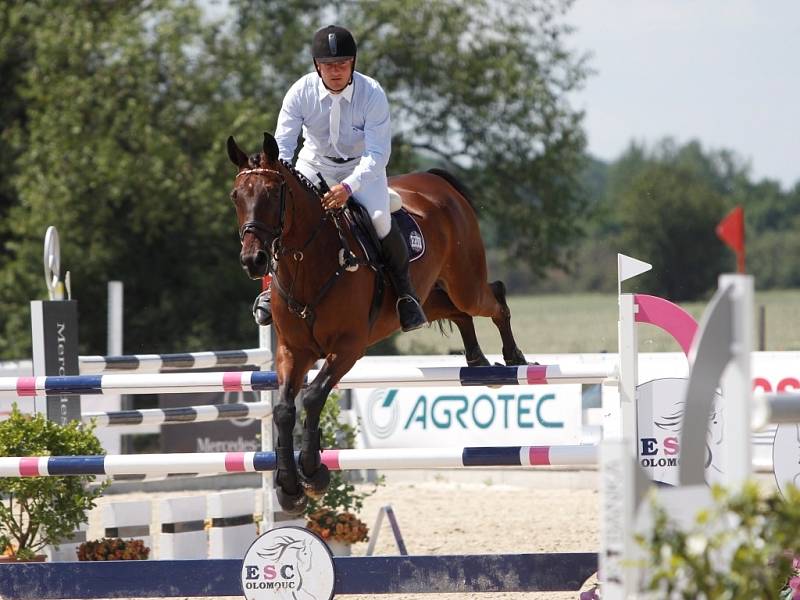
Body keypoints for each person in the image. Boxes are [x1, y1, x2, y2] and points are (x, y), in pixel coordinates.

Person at [252, 25, 427, 332]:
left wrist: (349, 187)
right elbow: (283, 146)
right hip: (314, 164)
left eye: (342, 64)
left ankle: (405, 295)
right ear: (317, 66)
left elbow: (377, 155)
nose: (336, 71)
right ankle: (270, 289)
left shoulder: (371, 93)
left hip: (362, 168)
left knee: (379, 219)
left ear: (353, 63)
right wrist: (274, 174)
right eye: (329, 65)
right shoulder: (300, 92)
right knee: (284, 215)